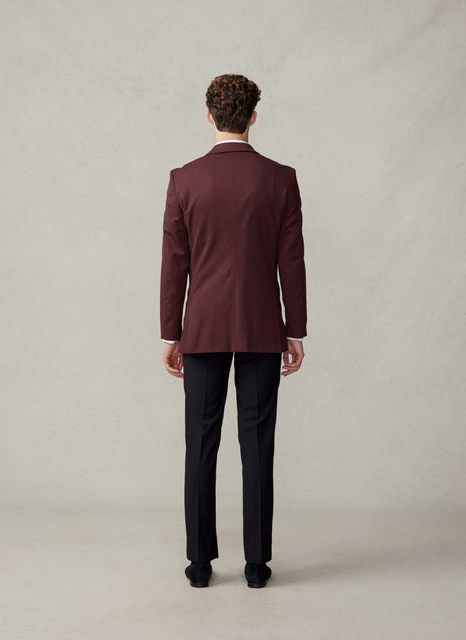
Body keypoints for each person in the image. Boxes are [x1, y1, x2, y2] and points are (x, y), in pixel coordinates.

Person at [160, 73, 307, 588]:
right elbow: (292, 261)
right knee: (258, 445)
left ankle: (200, 565)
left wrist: (171, 333)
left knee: (200, 445)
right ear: (253, 117)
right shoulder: (280, 179)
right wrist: (295, 329)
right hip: (263, 328)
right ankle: (257, 564)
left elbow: (174, 264)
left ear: (209, 116)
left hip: (201, 330)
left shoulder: (184, 179)